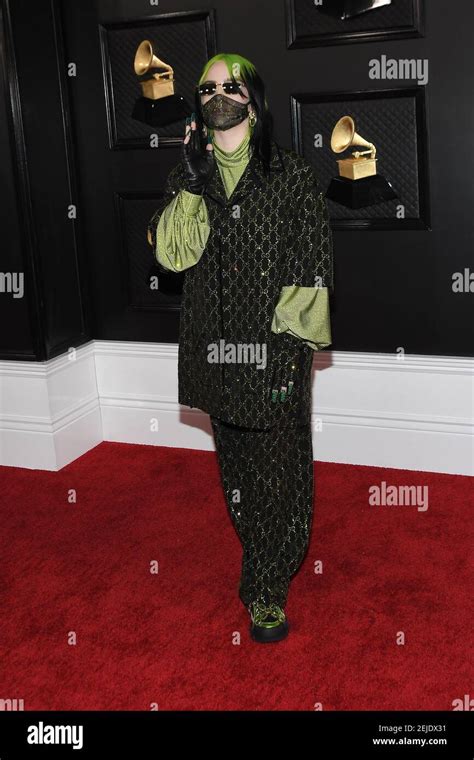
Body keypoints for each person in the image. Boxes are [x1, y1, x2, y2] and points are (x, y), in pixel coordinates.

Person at [147, 53, 334, 643]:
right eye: (207, 87)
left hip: (275, 345)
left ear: (253, 99)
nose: (218, 93)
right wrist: (194, 179)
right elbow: (173, 255)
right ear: (199, 105)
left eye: (231, 85)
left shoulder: (291, 174)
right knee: (236, 469)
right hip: (214, 348)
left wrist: (291, 346)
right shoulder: (190, 177)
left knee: (278, 468)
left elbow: (313, 265)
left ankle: (267, 586)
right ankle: (260, 554)